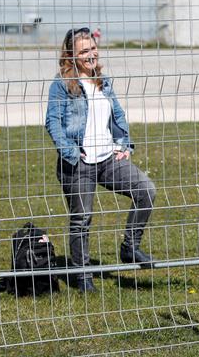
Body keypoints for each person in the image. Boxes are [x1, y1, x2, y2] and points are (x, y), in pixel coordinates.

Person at [45, 27, 156, 293]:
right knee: (81, 219)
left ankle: (130, 248)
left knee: (146, 191)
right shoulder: (61, 85)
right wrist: (71, 152)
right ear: (70, 55)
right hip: (78, 164)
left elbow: (117, 114)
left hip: (108, 159)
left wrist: (124, 144)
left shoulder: (102, 81)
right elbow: (53, 123)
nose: (91, 54)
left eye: (93, 49)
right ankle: (83, 276)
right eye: (84, 51)